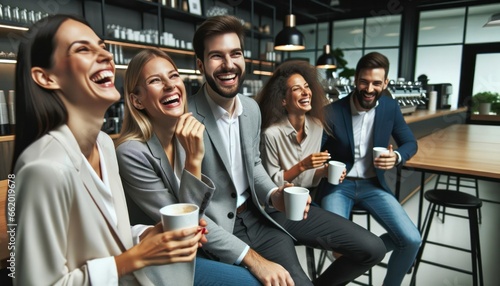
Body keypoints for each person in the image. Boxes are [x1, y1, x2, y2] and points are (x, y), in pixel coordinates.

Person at [188, 15, 386, 286]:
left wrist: (274, 193)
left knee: (372, 249)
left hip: (265, 211)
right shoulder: (184, 118)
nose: (228, 64)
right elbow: (184, 201)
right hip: (226, 229)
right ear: (200, 64)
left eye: (235, 54)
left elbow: (254, 166)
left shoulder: (251, 109)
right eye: (216, 56)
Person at [12, 15, 206, 285]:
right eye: (83, 49)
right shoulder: (44, 169)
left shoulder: (104, 144)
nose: (105, 55)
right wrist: (134, 258)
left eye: (102, 46)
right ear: (46, 77)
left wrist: (147, 235)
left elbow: (108, 234)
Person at [115, 48, 261, 285]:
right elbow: (182, 225)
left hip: (197, 248)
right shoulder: (131, 153)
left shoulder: (184, 136)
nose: (170, 85)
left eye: (173, 76)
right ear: (136, 100)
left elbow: (206, 214)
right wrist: (194, 159)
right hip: (161, 264)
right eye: (155, 80)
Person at [318, 52, 421, 286]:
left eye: (376, 83)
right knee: (338, 245)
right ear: (356, 79)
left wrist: (395, 156)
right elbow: (315, 152)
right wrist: (324, 166)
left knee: (412, 240)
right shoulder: (332, 111)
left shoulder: (390, 108)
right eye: (364, 81)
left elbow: (410, 143)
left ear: (385, 83)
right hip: (338, 186)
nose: (369, 88)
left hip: (373, 185)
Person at [256, 60, 345, 191]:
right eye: (296, 89)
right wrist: (303, 165)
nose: (306, 92)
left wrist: (324, 171)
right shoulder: (271, 134)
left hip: (308, 196)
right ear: (283, 100)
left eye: (306, 86)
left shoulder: (317, 126)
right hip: (279, 200)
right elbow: (270, 183)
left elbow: (308, 177)